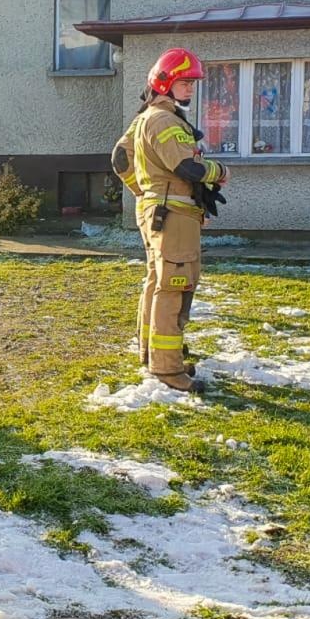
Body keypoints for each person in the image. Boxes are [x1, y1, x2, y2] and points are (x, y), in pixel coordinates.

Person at [112, 48, 227, 393]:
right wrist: (220, 172)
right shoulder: (165, 120)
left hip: (160, 210)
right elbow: (186, 168)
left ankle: (154, 353)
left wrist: (143, 193)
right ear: (165, 83)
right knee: (173, 286)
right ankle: (168, 369)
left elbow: (121, 158)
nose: (191, 88)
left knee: (157, 281)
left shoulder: (145, 118)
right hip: (171, 214)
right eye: (185, 82)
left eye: (193, 83)